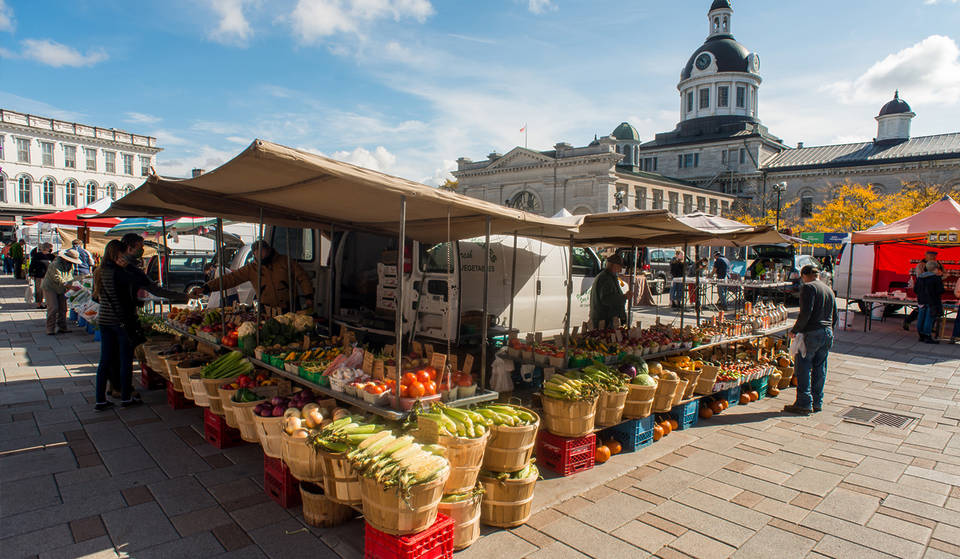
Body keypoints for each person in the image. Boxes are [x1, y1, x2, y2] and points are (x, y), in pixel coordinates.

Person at [190, 240, 313, 312]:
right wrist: (206, 288)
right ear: (254, 255)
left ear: (269, 250)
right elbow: (230, 279)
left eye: (264, 255)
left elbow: (302, 277)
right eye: (259, 256)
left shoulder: (285, 261)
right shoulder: (251, 268)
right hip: (267, 309)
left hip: (289, 305)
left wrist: (309, 296)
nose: (262, 258)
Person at [784, 265, 837, 415]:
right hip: (827, 332)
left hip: (813, 332)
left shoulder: (808, 288)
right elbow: (835, 315)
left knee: (804, 367)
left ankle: (804, 402)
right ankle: (817, 402)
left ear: (805, 276)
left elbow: (806, 313)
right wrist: (829, 330)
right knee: (820, 368)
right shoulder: (828, 289)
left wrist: (795, 330)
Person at [41, 249, 82, 335]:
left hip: (62, 288)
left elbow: (70, 277)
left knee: (63, 308)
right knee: (53, 307)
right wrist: (70, 286)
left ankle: (62, 327)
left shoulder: (70, 265)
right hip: (50, 287)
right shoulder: (55, 264)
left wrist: (71, 285)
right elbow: (57, 278)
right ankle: (50, 328)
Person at [905, 251, 943, 330]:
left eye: (934, 256)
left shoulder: (938, 264)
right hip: (926, 295)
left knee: (925, 313)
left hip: (926, 295)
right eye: (931, 256)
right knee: (926, 313)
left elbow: (944, 274)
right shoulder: (921, 265)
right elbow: (919, 277)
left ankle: (923, 331)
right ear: (926, 256)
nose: (933, 257)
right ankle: (925, 332)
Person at [590, 254, 631, 328]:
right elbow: (606, 299)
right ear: (613, 265)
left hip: (607, 320)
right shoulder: (605, 278)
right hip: (604, 321)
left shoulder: (610, 277)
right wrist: (624, 297)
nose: (621, 270)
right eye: (620, 267)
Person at [915, 260, 945, 344]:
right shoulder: (936, 278)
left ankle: (921, 335)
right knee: (929, 318)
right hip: (932, 301)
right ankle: (927, 335)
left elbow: (916, 289)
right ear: (935, 269)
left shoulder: (920, 277)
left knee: (921, 317)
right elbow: (940, 290)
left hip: (921, 300)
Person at [28, 243, 56, 308]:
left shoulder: (52, 256)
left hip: (48, 276)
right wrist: (31, 273)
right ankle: (39, 304)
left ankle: (47, 303)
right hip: (39, 275)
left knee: (48, 290)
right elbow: (32, 265)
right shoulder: (37, 255)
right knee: (39, 290)